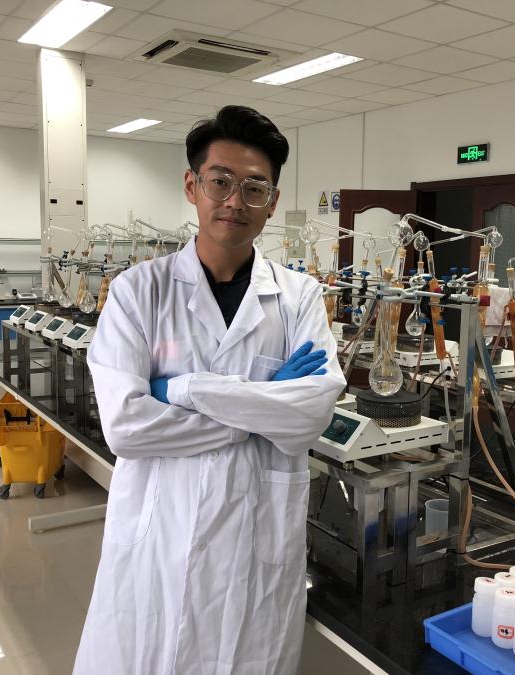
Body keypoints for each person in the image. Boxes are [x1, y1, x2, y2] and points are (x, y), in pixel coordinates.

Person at [74, 106, 346, 674]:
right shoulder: (137, 292)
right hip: (161, 535)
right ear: (192, 186)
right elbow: (126, 428)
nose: (234, 201)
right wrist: (262, 403)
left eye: (254, 188)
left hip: (256, 541)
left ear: (272, 201)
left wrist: (179, 389)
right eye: (220, 181)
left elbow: (311, 415)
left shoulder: (298, 297)